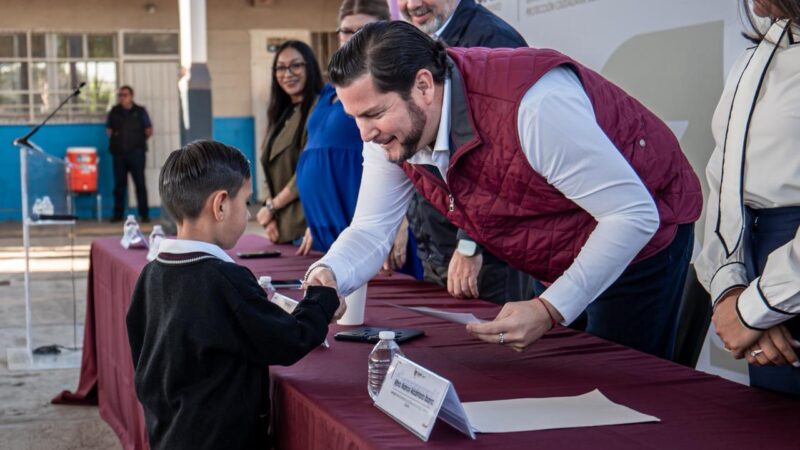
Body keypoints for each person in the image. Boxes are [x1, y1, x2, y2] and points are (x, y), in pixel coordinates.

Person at [306, 21, 703, 360]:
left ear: (424, 85)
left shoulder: (532, 107)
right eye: (354, 116)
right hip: (555, 245)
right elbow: (371, 228)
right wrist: (330, 273)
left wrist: (549, 307)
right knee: (559, 385)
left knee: (623, 391)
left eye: (374, 113)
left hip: (640, 241)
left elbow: (633, 214)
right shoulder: (390, 131)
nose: (365, 133)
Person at [126, 140, 343, 450]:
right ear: (221, 205)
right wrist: (323, 298)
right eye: (246, 202)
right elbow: (288, 339)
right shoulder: (224, 280)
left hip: (169, 433)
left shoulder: (150, 274)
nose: (249, 213)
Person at [695, 0, 800, 396]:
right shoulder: (754, 58)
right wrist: (731, 292)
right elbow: (725, 182)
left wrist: (756, 308)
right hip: (757, 264)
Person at [399, 0, 532, 303]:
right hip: (437, 243)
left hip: (485, 255)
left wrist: (470, 243)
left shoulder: (494, 41)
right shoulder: (421, 40)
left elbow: (506, 155)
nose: (412, 4)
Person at [293, 0, 423, 278]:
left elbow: (413, 154)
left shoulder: (390, 89)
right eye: (346, 31)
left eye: (362, 31)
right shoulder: (332, 90)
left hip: (371, 208)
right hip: (328, 216)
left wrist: (401, 219)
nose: (353, 39)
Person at [256, 41, 322, 245]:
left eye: (296, 65)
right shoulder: (281, 112)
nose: (288, 73)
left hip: (306, 228)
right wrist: (270, 214)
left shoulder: (319, 109)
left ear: (309, 67)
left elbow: (309, 170)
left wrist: (271, 207)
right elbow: (269, 167)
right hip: (283, 228)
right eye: (281, 67)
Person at [106, 85, 152, 223]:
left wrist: (137, 141)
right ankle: (118, 214)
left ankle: (144, 215)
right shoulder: (114, 111)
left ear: (131, 96)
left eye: (125, 95)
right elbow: (109, 130)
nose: (122, 97)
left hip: (136, 153)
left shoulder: (140, 111)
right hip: (119, 154)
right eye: (120, 95)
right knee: (119, 185)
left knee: (140, 184)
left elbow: (148, 130)